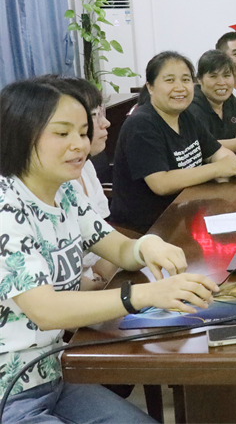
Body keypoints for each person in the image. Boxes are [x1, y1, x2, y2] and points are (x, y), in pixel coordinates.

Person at [0, 77, 220, 423]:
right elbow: (46, 310)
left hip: (53, 376)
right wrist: (145, 295)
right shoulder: (6, 208)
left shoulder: (63, 192)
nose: (80, 144)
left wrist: (146, 246)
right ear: (20, 135)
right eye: (62, 133)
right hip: (10, 393)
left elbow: (117, 247)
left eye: (82, 132)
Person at [110, 51, 236, 233]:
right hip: (146, 230)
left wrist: (235, 165)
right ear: (150, 87)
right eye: (170, 80)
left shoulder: (186, 117)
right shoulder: (141, 124)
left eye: (185, 80)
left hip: (185, 218)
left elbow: (218, 152)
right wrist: (218, 168)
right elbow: (161, 183)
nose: (180, 87)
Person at [50, 76, 119, 289]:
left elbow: (105, 242)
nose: (105, 123)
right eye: (95, 116)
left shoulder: (83, 170)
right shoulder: (16, 202)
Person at [187, 50, 236, 152]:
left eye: (226, 76)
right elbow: (204, 148)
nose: (222, 83)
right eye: (213, 76)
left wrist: (232, 144)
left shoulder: (229, 98)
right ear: (199, 80)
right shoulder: (193, 105)